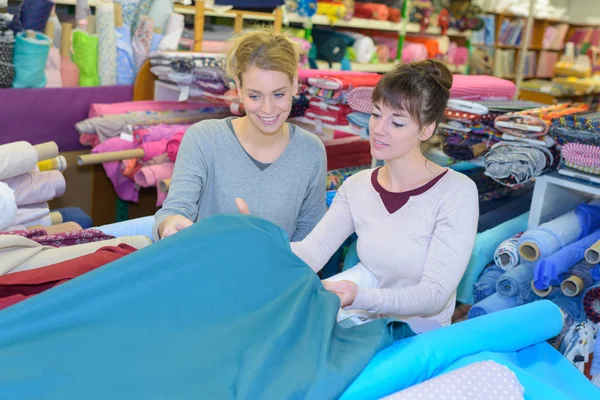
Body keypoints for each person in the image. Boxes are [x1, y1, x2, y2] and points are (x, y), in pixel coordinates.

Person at [290, 60, 479, 327]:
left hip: (417, 337)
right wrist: (262, 246)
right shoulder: (358, 186)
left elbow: (435, 294)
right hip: (366, 321)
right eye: (376, 114)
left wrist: (361, 297)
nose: (378, 129)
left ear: (426, 129)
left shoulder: (456, 192)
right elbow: (314, 250)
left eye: (397, 122)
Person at [153, 30, 327, 241]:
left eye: (278, 94)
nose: (267, 108)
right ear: (238, 88)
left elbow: (310, 239)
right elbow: (175, 210)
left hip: (278, 272)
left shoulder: (311, 151)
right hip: (208, 270)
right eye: (255, 96)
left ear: (295, 85)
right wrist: (169, 224)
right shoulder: (203, 140)